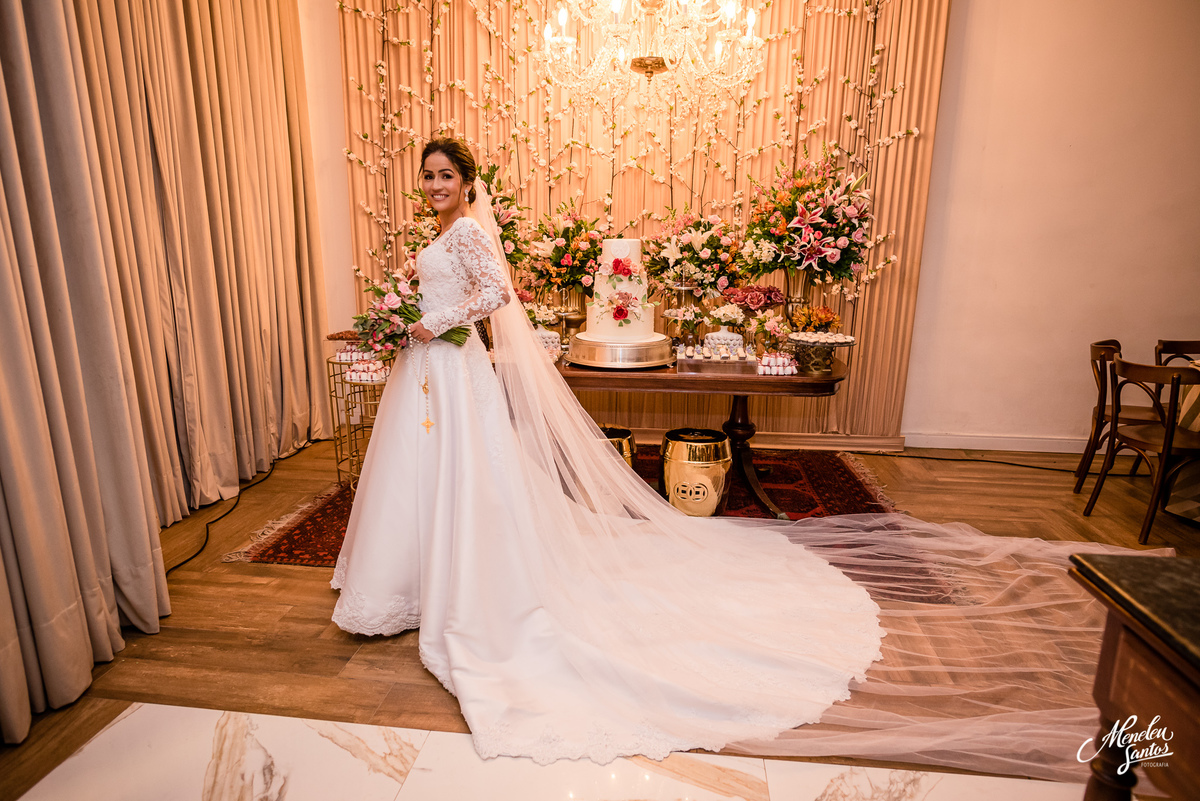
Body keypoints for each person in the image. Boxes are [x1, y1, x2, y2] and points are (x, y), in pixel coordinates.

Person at [331, 139, 1158, 778]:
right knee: (420, 479)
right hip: (425, 373)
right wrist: (408, 315)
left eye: (446, 176)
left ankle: (470, 590)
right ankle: (407, 586)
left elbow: (492, 297)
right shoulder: (435, 231)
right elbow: (453, 294)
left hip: (449, 360)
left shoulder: (472, 231)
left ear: (466, 182)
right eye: (429, 178)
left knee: (468, 484)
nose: (436, 187)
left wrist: (427, 321)